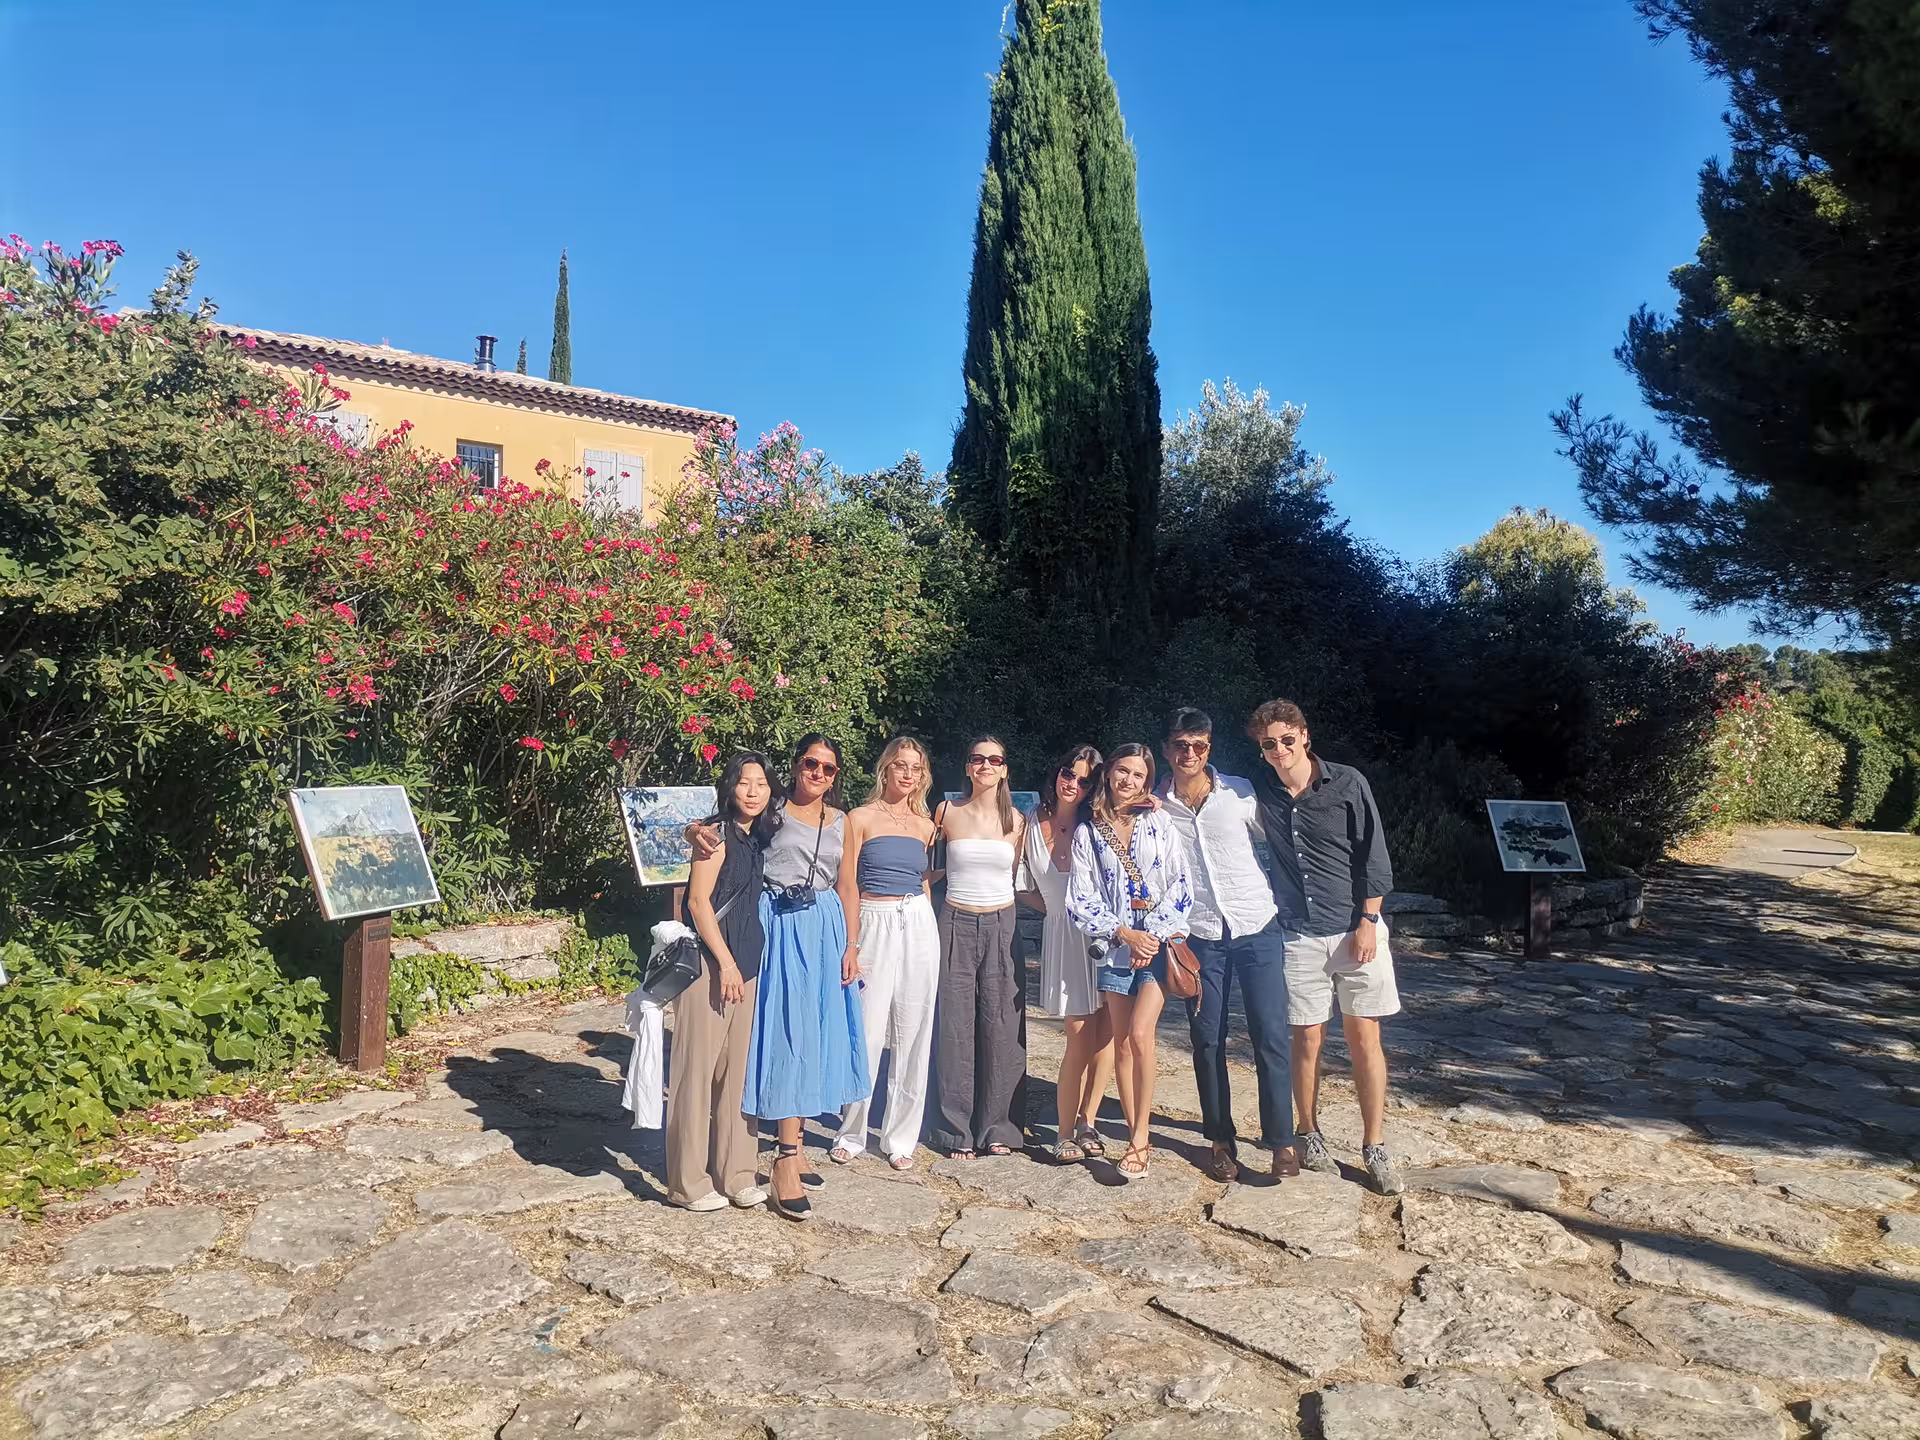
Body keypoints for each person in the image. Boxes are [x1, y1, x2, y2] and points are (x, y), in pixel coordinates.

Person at [1246, 698, 1403, 1195]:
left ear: (1305, 736)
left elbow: (1374, 856)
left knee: (1364, 1041)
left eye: (1286, 740)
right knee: (1306, 1041)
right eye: (1268, 744)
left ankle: (1373, 1144)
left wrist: (1368, 920)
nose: (1279, 750)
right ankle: (1308, 1132)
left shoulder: (1348, 783)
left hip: (1357, 929)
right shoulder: (1262, 794)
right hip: (1298, 934)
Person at [1156, 708, 1296, 1183]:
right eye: (1180, 745)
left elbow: (1281, 842)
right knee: (1206, 1038)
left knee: (1271, 1034)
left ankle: (1282, 1141)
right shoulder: (1156, 804)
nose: (1189, 754)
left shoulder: (1239, 792)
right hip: (1199, 936)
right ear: (1167, 748)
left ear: (1209, 748)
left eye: (1198, 746)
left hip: (1257, 925)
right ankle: (1219, 1140)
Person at [740, 733, 870, 1221]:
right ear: (795, 766)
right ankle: (785, 1160)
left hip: (824, 925)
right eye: (811, 764)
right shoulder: (769, 810)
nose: (818, 774)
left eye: (829, 768)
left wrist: (852, 946)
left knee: (816, 1034)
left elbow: (848, 884)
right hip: (777, 923)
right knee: (787, 1035)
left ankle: (793, 1141)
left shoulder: (842, 821)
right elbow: (730, 840)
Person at [1067, 743, 1192, 1180]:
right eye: (1122, 771)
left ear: (1146, 781)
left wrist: (1150, 936)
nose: (1128, 781)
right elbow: (1080, 898)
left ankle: (1141, 1137)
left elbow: (1181, 884)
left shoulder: (1159, 821)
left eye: (1138, 775)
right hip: (1117, 947)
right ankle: (1134, 1134)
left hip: (1157, 947)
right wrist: (1125, 934)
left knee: (1141, 1033)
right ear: (1109, 774)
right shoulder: (1089, 832)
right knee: (1120, 1040)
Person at [669, 751, 777, 1212]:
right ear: (730, 787)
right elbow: (697, 903)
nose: (752, 792)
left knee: (737, 1078)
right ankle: (688, 1183)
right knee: (695, 1076)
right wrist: (726, 964)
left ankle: (736, 1174)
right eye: (744, 783)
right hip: (712, 970)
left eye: (761, 784)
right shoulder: (713, 836)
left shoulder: (758, 837)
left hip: (746, 967)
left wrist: (742, 966)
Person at [831, 736, 941, 1170]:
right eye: (900, 765)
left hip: (915, 921)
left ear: (922, 775)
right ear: (886, 769)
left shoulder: (926, 824)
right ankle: (851, 1131)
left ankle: (900, 1138)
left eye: (915, 767)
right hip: (872, 921)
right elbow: (847, 885)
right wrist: (851, 943)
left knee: (915, 1029)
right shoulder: (858, 818)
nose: (908, 773)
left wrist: (924, 925)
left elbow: (926, 882)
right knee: (867, 1029)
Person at [929, 735, 1028, 1159]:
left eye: (994, 759)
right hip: (954, 920)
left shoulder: (1018, 822)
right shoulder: (946, 812)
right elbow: (928, 872)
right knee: (954, 1026)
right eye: (977, 759)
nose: (985, 765)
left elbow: (1024, 881)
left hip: (1002, 925)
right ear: (968, 768)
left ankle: (998, 1127)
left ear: (1005, 769)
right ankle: (955, 1130)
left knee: (1001, 1026)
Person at [1022, 744, 1117, 1163]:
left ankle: (1087, 1120)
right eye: (1067, 772)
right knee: (1078, 1035)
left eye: (1083, 779)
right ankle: (1064, 1131)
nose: (1072, 783)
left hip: (1101, 936)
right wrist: (1053, 909)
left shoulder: (1099, 823)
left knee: (1106, 1033)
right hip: (1064, 936)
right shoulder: (1029, 822)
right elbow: (1018, 882)